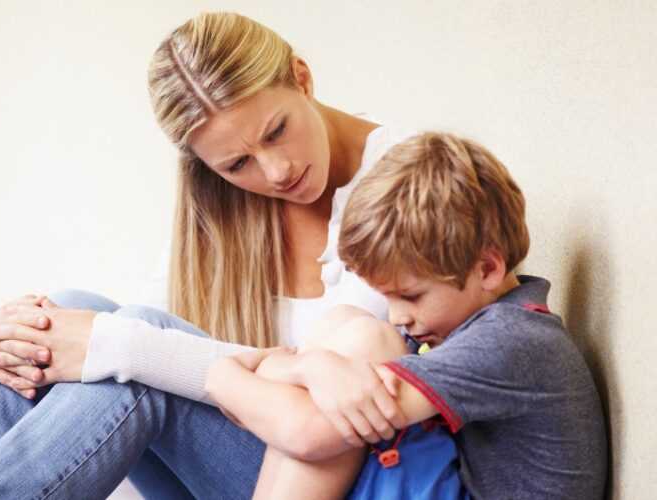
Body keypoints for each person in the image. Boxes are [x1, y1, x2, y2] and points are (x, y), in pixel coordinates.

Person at [0, 12, 413, 499]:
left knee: (134, 353)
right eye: (236, 164)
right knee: (71, 308)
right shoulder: (229, 209)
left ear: (301, 77)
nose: (274, 172)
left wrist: (128, 346)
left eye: (276, 131)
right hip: (242, 460)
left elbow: (334, 403)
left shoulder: (413, 186)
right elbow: (135, 334)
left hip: (343, 479)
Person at [212, 132, 607, 499]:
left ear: (487, 269)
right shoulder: (487, 323)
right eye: (388, 297)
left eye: (411, 296)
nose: (399, 316)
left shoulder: (511, 340)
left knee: (369, 343)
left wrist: (223, 377)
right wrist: (311, 368)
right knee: (346, 324)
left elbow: (309, 435)